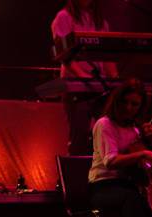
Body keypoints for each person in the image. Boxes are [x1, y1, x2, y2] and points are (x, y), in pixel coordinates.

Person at [88, 78, 152, 217]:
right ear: (117, 101)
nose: (128, 107)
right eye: (124, 102)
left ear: (140, 107)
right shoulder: (104, 124)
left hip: (131, 185)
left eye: (134, 104)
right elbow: (110, 161)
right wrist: (143, 154)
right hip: (104, 187)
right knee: (133, 200)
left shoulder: (136, 129)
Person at [51, 0, 118, 155]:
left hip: (98, 85)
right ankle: (76, 174)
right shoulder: (64, 17)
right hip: (76, 86)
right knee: (79, 136)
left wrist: (115, 80)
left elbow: (107, 56)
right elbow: (64, 54)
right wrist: (84, 78)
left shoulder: (100, 21)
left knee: (107, 133)